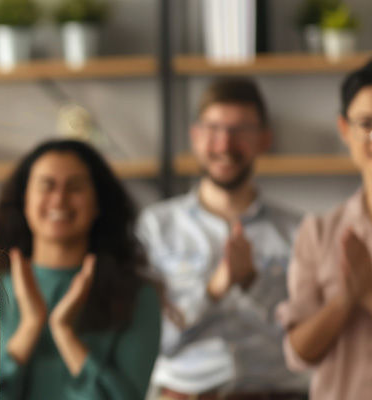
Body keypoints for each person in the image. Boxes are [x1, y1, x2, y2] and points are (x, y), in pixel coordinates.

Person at [139, 78, 309, 399]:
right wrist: (213, 291)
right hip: (183, 393)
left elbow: (307, 343)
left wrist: (252, 285)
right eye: (214, 129)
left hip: (275, 392)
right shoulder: (155, 227)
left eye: (241, 130)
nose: (225, 144)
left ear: (264, 139)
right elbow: (148, 342)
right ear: (195, 137)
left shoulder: (299, 231)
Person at [0, 139, 162, 399]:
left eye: (75, 187)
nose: (59, 198)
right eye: (47, 186)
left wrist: (65, 333)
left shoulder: (138, 297)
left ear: (98, 202)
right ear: (24, 199)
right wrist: (30, 327)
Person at [277, 59, 372, 400]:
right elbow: (297, 354)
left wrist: (368, 295)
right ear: (345, 130)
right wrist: (346, 299)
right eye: (367, 124)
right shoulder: (318, 232)